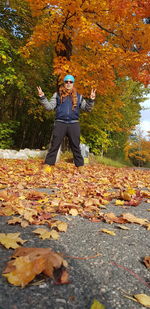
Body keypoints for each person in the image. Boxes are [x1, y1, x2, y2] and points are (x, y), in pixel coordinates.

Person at [37, 74, 96, 167]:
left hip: (74, 123)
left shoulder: (79, 96)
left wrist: (91, 100)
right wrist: (42, 97)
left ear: (73, 83)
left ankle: (80, 166)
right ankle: (48, 164)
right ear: (64, 83)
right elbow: (49, 107)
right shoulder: (57, 95)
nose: (68, 83)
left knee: (76, 146)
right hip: (60, 123)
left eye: (70, 82)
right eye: (66, 81)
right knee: (54, 145)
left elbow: (87, 108)